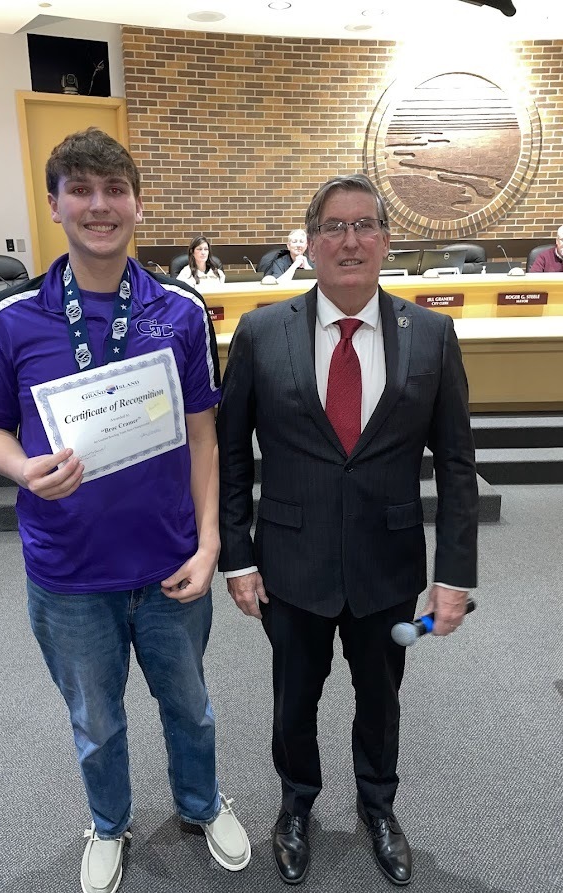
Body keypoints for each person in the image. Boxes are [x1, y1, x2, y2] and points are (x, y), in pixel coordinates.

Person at [0, 128, 250, 893]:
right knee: (96, 721)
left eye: (114, 189)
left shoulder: (183, 311)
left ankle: (199, 802)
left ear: (137, 204)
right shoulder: (13, 315)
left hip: (170, 564)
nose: (100, 205)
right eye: (81, 190)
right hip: (68, 573)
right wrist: (24, 467)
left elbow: (202, 436)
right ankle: (110, 821)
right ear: (55, 203)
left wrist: (210, 540)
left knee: (191, 706)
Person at [217, 173, 478, 887]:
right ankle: (295, 805)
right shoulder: (263, 332)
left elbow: (457, 464)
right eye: (334, 226)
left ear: (387, 242)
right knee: (293, 700)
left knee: (381, 699)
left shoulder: (429, 334)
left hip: (387, 565)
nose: (351, 239)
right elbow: (232, 453)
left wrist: (453, 576)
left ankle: (378, 806)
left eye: (366, 225)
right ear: (311, 241)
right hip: (289, 563)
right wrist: (236, 555)